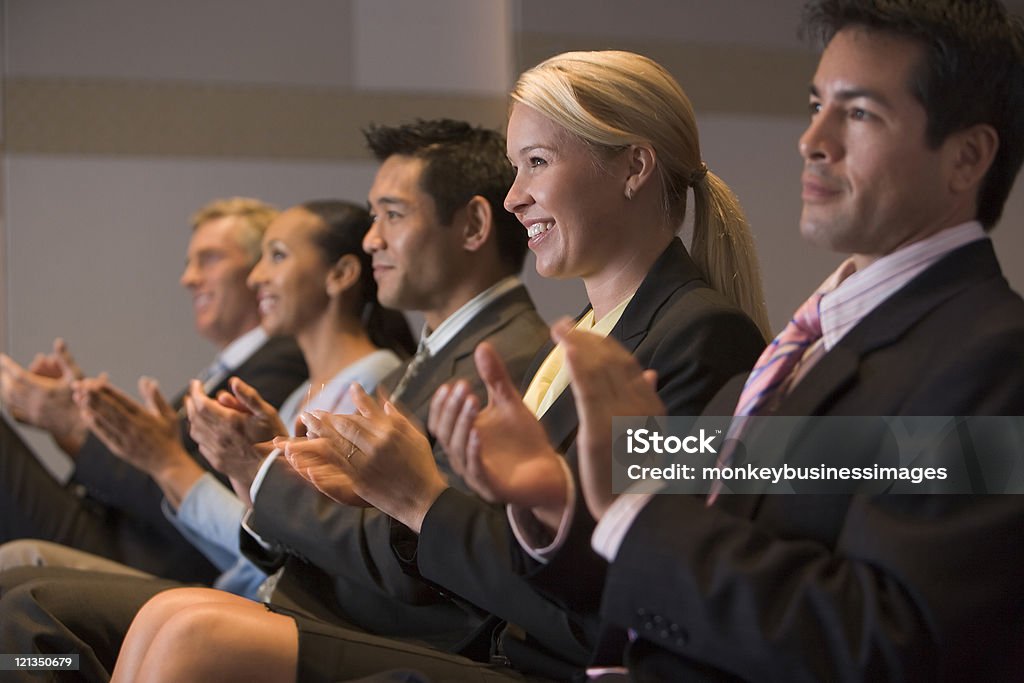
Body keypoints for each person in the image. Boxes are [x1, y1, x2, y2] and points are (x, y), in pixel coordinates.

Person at [396, 1, 1024, 681]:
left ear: (967, 158)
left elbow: (882, 640)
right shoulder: (814, 344)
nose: (812, 138)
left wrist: (630, 506)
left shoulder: (990, 357)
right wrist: (555, 498)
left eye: (860, 112)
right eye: (817, 104)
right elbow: (695, 542)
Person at [111, 51, 770, 682]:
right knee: (169, 619)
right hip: (498, 644)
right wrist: (378, 485)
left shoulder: (699, 337)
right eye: (515, 168)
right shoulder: (583, 337)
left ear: (634, 168)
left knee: (188, 635)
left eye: (536, 163)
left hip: (542, 662)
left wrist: (420, 497)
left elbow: (613, 594)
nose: (516, 198)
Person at [0, 119, 550, 682]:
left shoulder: (495, 360)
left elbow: (417, 554)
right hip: (304, 591)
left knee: (34, 612)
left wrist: (253, 471)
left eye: (392, 215)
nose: (371, 238)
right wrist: (266, 472)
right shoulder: (438, 356)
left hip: (384, 626)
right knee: (28, 606)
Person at [0, 197, 308, 582]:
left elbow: (192, 495)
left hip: (149, 556)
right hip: (115, 530)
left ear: (260, 269)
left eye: (209, 259)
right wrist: (80, 420)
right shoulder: (226, 369)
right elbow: (148, 463)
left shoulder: (282, 361)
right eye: (188, 264)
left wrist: (76, 423)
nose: (189, 278)